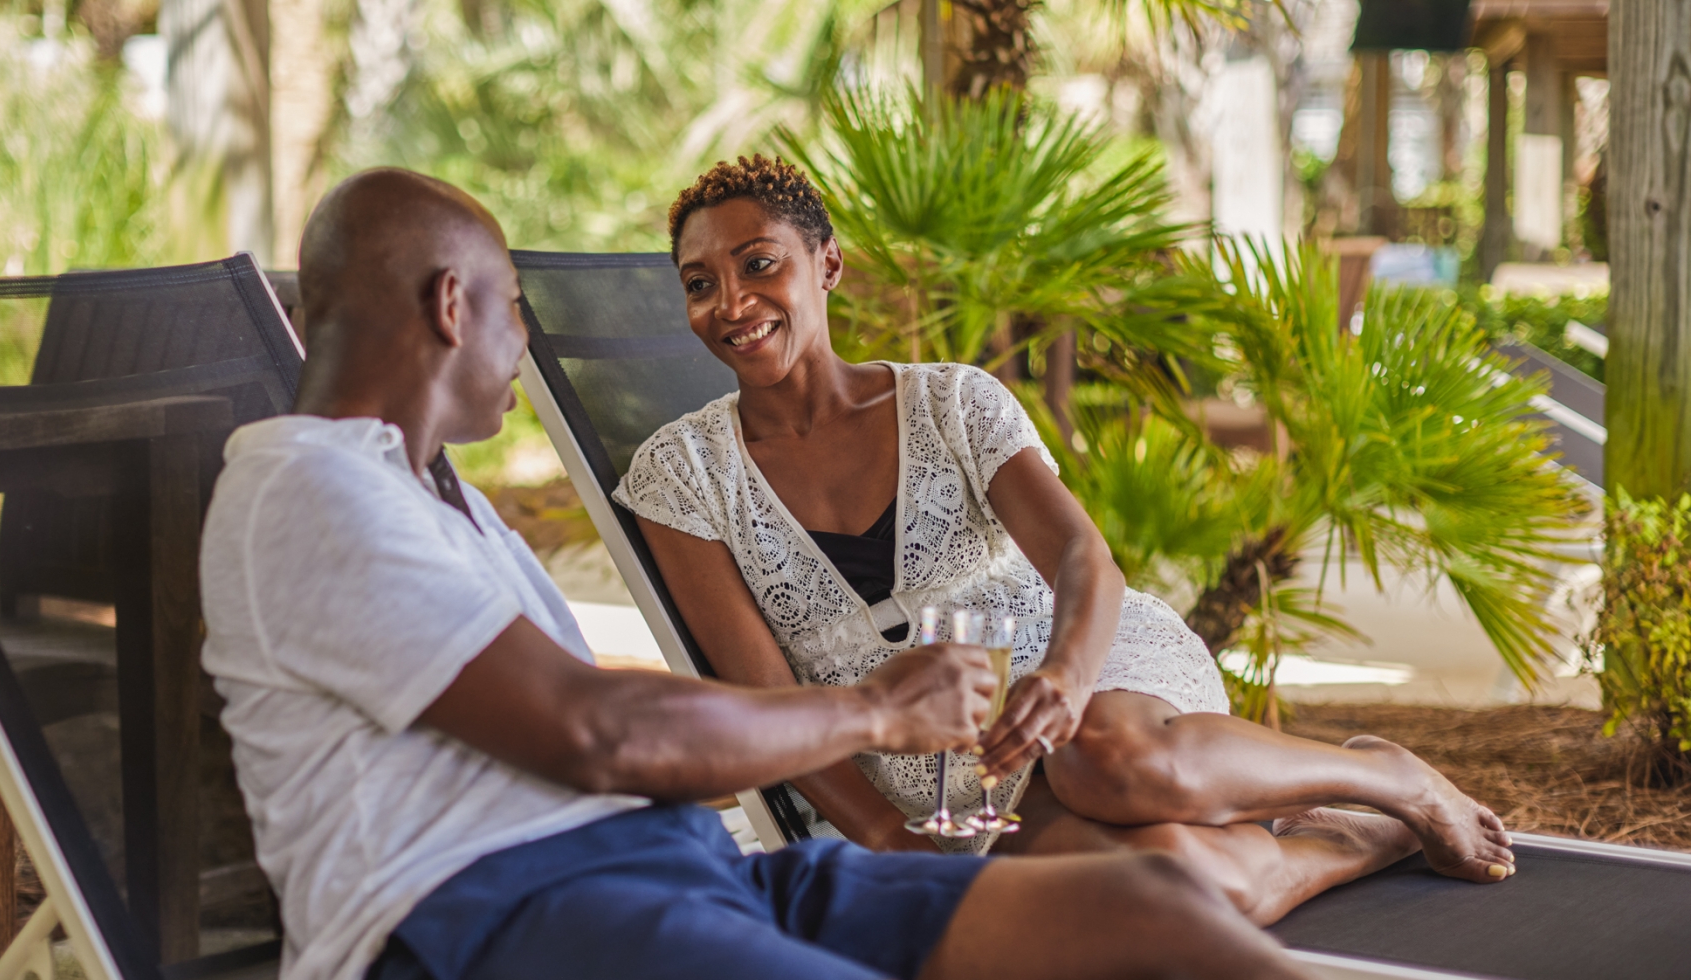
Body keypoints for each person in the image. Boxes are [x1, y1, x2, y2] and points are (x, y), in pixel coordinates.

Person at [200, 166, 1317, 980]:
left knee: (1150, 905)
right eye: (514, 311)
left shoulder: (440, 496)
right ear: (454, 305)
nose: (522, 344)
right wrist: (877, 708)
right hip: (488, 913)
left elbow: (624, 730)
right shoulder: (308, 490)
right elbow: (600, 730)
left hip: (670, 860)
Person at [613, 155, 1519, 927]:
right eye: (701, 285)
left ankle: (1383, 780)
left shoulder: (952, 401)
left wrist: (1063, 680)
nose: (732, 303)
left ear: (829, 264)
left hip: (1087, 661)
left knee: (1100, 757)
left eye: (758, 265)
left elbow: (1085, 560)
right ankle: (1366, 824)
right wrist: (896, 843)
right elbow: (769, 703)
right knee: (1160, 893)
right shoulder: (680, 477)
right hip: (937, 774)